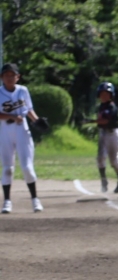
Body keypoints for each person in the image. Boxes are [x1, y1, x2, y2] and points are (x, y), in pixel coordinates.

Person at [0, 63, 46, 214]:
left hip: (22, 130)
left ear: (17, 77)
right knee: (8, 168)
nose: (9, 78)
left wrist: (36, 121)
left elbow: (29, 109)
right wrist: (13, 116)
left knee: (27, 168)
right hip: (5, 131)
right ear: (2, 77)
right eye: (6, 75)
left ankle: (35, 199)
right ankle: (7, 201)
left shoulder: (23, 90)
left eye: (12, 75)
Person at [90, 82, 118, 194]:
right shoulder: (101, 107)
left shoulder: (112, 107)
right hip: (103, 133)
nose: (104, 96)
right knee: (100, 158)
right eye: (102, 94)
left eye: (107, 94)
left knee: (114, 160)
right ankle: (104, 181)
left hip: (113, 134)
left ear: (111, 95)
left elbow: (106, 120)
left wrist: (91, 121)